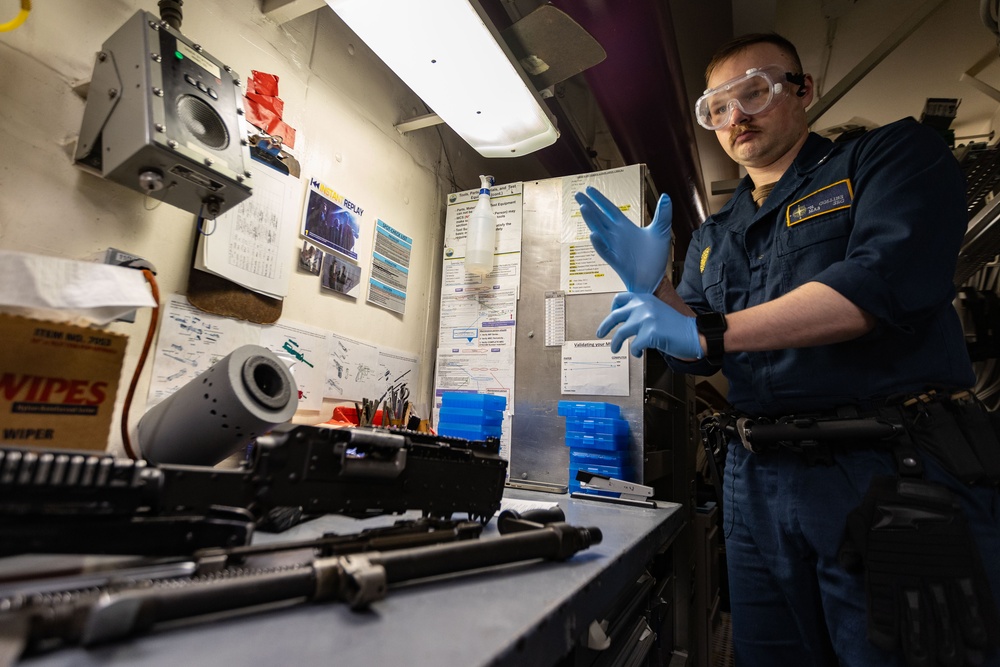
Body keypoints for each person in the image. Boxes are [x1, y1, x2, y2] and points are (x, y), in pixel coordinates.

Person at [576, 33, 1000, 667]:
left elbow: (878, 286)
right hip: (757, 480)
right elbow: (697, 353)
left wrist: (708, 330)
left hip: (885, 465)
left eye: (755, 92)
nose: (736, 116)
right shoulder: (714, 235)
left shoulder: (888, 157)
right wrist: (657, 288)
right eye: (717, 107)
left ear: (803, 91)